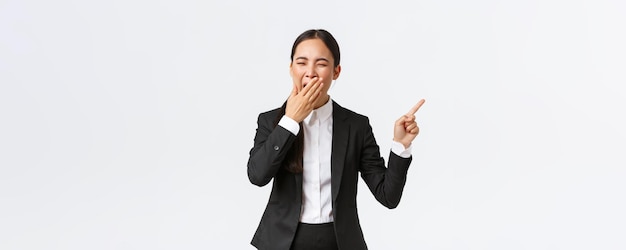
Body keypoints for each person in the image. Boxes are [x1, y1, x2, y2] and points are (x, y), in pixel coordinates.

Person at [247, 29, 425, 250]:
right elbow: (257, 176)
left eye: (321, 64)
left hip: (340, 242)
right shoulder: (271, 121)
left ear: (336, 71)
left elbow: (388, 196)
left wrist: (401, 145)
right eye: (301, 63)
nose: (310, 73)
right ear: (291, 68)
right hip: (283, 242)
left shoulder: (356, 126)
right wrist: (290, 120)